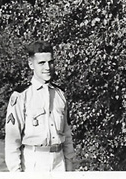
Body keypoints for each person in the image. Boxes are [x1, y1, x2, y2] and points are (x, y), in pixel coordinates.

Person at [5, 41, 75, 172]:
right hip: (34, 162)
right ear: (31, 64)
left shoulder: (60, 94)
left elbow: (67, 134)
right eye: (41, 63)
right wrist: (16, 172)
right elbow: (12, 140)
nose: (48, 67)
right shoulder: (21, 96)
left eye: (51, 62)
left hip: (59, 163)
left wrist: (69, 165)